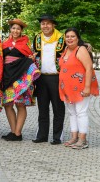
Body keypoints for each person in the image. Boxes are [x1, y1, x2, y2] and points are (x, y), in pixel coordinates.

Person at [59, 27, 99, 149]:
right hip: (68, 89)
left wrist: (87, 87)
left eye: (72, 36)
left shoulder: (81, 49)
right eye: (67, 36)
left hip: (81, 88)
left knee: (81, 112)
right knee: (72, 113)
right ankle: (74, 137)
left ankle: (83, 140)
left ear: (78, 38)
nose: (69, 39)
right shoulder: (65, 49)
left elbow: (88, 68)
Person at [1, 19, 40, 141]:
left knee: (20, 104)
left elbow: (30, 59)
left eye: (18, 29)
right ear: (10, 30)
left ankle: (18, 133)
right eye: (13, 28)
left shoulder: (25, 44)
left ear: (21, 31)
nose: (15, 31)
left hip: (20, 77)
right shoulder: (4, 44)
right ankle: (13, 131)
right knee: (7, 104)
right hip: (7, 76)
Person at [32, 15, 66, 144]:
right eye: (43, 24)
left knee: (58, 108)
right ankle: (42, 135)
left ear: (53, 25)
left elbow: (76, 44)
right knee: (42, 108)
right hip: (41, 77)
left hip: (57, 77)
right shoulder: (37, 39)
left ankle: (57, 136)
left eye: (48, 24)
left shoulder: (62, 38)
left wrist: (86, 45)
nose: (45, 26)